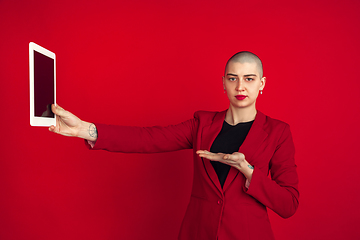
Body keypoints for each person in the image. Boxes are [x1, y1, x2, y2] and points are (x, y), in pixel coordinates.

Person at [49, 51, 299, 240]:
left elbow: (288, 204)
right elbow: (148, 139)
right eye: (233, 78)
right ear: (223, 82)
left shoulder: (277, 132)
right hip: (197, 232)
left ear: (262, 84)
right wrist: (85, 128)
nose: (240, 86)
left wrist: (248, 171)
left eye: (249, 78)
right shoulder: (202, 124)